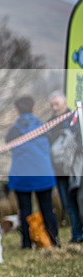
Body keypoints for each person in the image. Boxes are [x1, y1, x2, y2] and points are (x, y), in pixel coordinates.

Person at [6, 96, 60, 248]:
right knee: (47, 208)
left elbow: (8, 145)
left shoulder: (14, 130)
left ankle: (26, 243)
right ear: (33, 107)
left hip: (22, 175)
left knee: (25, 211)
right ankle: (53, 240)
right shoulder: (42, 126)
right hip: (43, 174)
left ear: (18, 109)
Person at [48, 91, 83, 243]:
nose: (55, 108)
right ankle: (76, 234)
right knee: (68, 204)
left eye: (57, 104)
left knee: (80, 200)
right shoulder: (49, 124)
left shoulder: (76, 117)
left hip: (76, 169)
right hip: (60, 171)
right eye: (52, 105)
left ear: (65, 102)